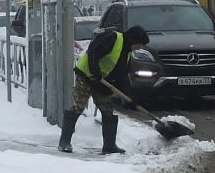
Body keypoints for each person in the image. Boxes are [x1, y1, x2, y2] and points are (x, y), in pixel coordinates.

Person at [58, 25, 151, 155]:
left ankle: (109, 146)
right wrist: (94, 69)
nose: (139, 48)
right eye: (139, 45)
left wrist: (129, 97)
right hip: (86, 76)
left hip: (101, 82)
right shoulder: (113, 38)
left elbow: (122, 76)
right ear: (133, 40)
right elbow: (93, 50)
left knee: (107, 110)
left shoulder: (127, 53)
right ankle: (64, 142)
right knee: (78, 106)